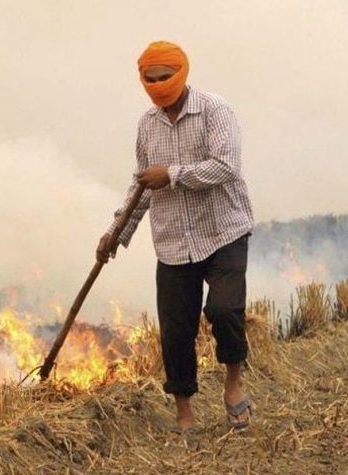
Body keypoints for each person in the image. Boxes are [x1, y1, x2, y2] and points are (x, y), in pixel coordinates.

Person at [97, 41, 255, 432]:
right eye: (149, 79)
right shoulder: (147, 125)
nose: (157, 85)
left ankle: (233, 386)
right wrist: (116, 233)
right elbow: (140, 188)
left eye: (165, 77)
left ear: (182, 74)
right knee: (176, 330)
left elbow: (226, 167)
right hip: (172, 241)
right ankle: (184, 412)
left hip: (223, 230)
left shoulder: (215, 111)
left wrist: (171, 174)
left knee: (225, 311)